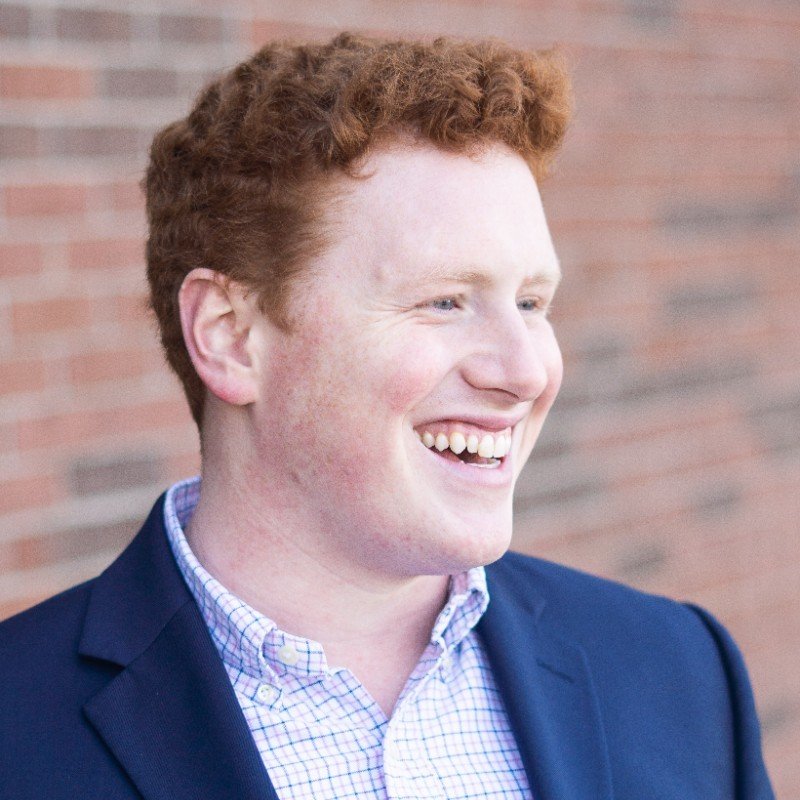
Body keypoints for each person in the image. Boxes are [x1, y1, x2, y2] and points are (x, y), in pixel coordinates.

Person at [0, 32, 774, 800]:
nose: (527, 371)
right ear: (230, 337)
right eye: (444, 301)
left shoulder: (679, 673)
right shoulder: (18, 733)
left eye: (532, 303)